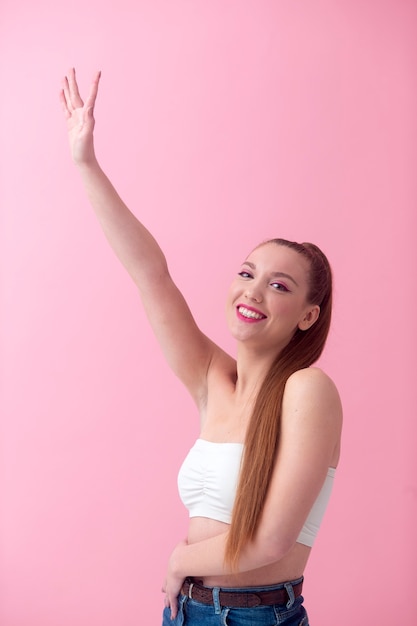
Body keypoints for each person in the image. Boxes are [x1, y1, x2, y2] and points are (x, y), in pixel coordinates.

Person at [60, 68, 342, 626]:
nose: (253, 291)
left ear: (309, 316)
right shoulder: (214, 381)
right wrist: (85, 163)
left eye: (279, 285)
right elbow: (151, 274)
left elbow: (270, 540)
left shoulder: (309, 390)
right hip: (185, 611)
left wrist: (178, 559)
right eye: (247, 272)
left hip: (256, 616)